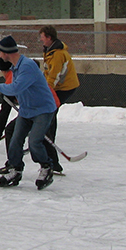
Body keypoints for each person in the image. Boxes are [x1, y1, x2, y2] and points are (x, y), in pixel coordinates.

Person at [0, 35, 58, 189]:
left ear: (6, 52)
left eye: (0, 52)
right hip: (27, 110)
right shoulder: (16, 67)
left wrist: (0, 87)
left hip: (43, 109)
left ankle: (46, 167)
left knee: (35, 141)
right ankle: (15, 169)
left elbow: (17, 88)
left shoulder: (27, 66)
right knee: (15, 141)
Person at [39, 25, 80, 166]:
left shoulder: (57, 54)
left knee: (50, 112)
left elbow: (54, 77)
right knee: (50, 113)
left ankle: (50, 152)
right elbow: (47, 72)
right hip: (57, 87)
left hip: (64, 88)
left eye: (43, 38)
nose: (41, 40)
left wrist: (46, 91)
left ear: (49, 38)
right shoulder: (49, 51)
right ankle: (47, 140)